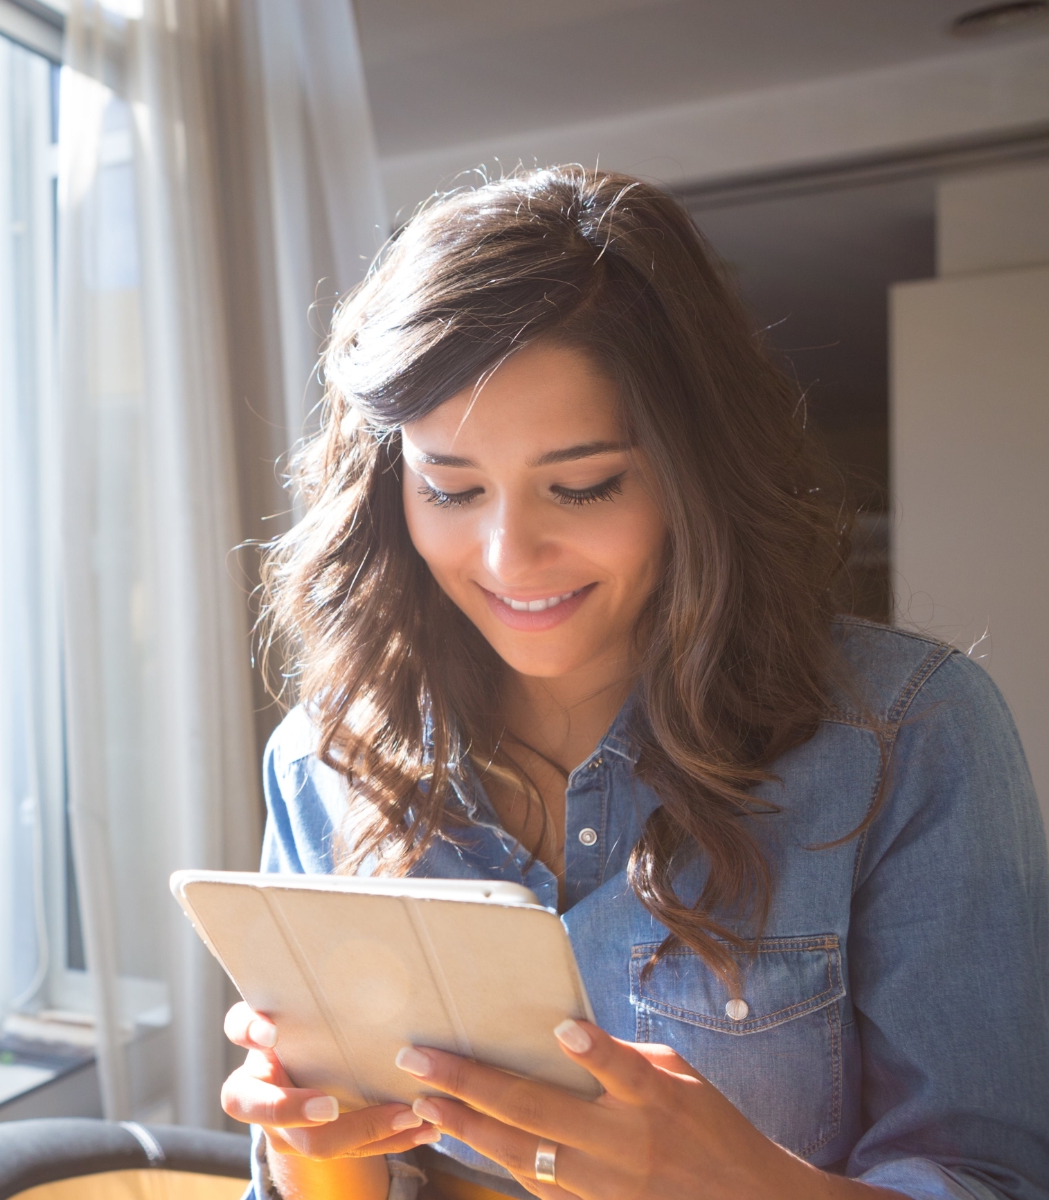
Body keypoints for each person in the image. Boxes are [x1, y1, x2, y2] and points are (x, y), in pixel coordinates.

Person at [225, 166, 1049, 1200]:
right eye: (450, 487)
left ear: (691, 472)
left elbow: (997, 1178)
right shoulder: (325, 759)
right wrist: (309, 1142)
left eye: (583, 485)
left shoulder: (906, 736)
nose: (507, 555)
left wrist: (742, 1184)